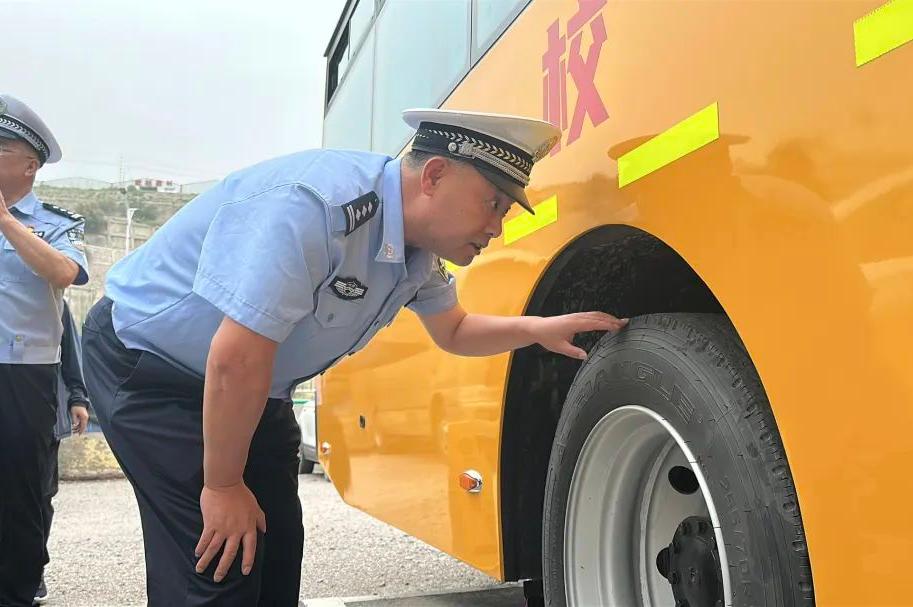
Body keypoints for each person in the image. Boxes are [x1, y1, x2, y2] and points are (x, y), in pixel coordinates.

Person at [81, 109, 627, 606]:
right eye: (493, 204)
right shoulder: (314, 208)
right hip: (152, 368)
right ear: (435, 176)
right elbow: (236, 358)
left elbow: (455, 330)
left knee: (275, 552)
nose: (497, 226)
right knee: (219, 564)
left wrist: (538, 329)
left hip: (250, 386)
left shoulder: (416, 252)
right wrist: (221, 486)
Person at [0, 94, 89, 607]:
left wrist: (6, 221)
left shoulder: (56, 223)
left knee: (23, 494)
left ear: (30, 165)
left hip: (22, 374)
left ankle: (19, 591)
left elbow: (64, 273)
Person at [33, 299, 91, 605]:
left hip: (43, 416)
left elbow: (70, 351)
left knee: (40, 497)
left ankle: (33, 570)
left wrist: (78, 398)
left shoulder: (53, 299)